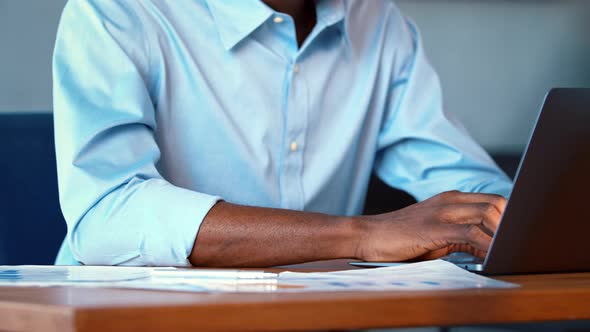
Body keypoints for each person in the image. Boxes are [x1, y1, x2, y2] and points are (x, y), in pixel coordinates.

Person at [53, 0, 512, 267]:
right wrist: (362, 234)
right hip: (129, 318)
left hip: (306, 314)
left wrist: (497, 225)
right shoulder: (117, 11)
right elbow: (106, 215)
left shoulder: (377, 20)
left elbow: (468, 189)